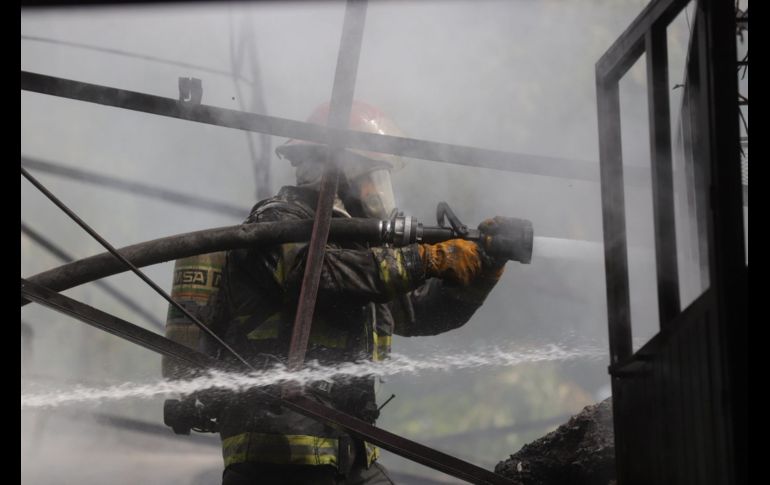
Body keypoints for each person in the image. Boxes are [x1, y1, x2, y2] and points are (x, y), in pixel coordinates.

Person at [208, 101, 509, 485]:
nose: (379, 190)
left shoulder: (360, 249)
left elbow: (421, 313)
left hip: (348, 446)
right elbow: (317, 275)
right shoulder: (277, 222)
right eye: (374, 174)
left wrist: (484, 268)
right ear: (340, 171)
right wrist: (426, 260)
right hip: (283, 448)